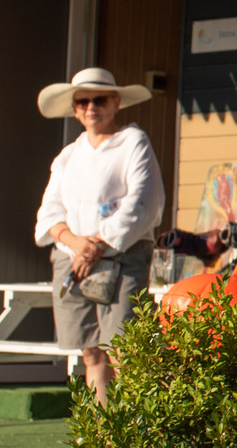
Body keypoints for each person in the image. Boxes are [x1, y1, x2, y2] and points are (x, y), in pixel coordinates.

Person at [33, 67, 164, 403]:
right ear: (75, 109)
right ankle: (104, 438)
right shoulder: (68, 155)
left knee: (124, 352)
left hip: (123, 258)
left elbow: (142, 204)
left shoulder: (134, 142)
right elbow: (49, 212)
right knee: (91, 354)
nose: (91, 107)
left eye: (99, 99)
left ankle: (136, 440)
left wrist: (95, 245)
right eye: (82, 101)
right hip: (71, 260)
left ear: (116, 102)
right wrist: (76, 244)